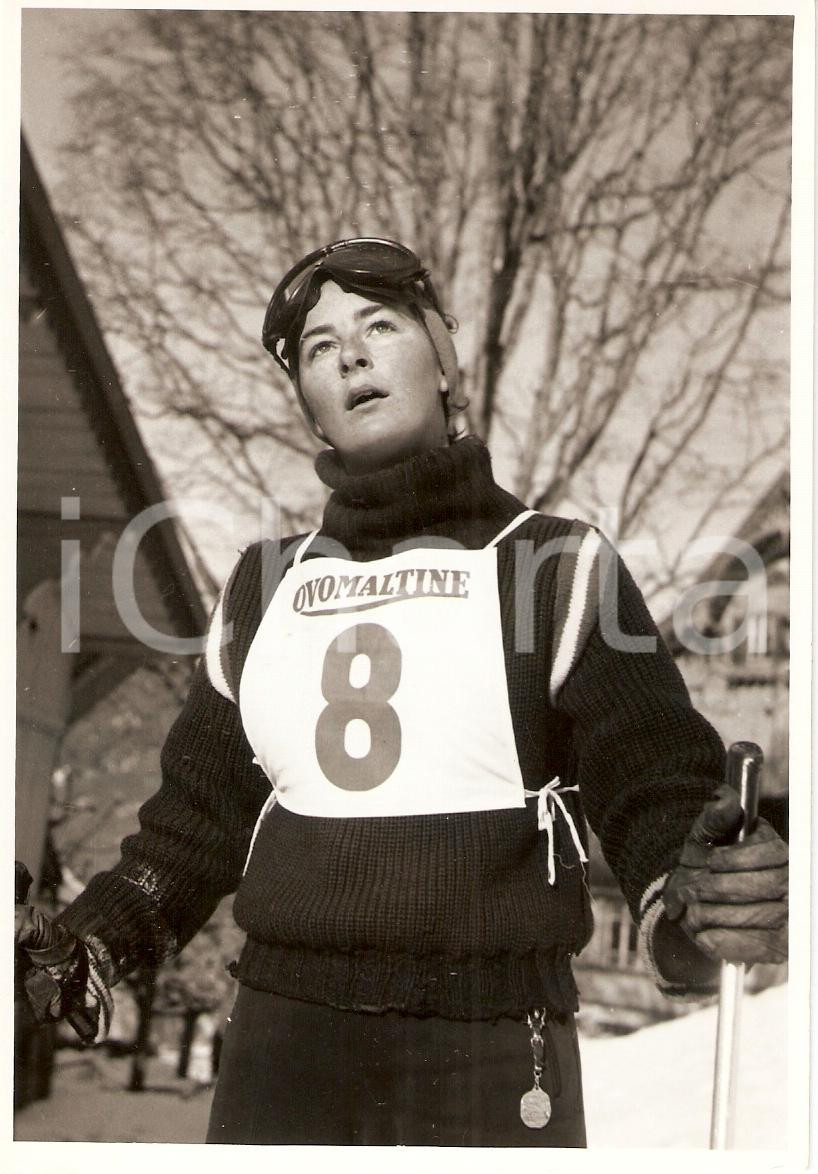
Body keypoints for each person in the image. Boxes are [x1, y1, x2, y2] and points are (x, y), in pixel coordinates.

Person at [15, 238, 788, 1147]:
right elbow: (196, 823)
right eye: (316, 347)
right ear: (310, 408)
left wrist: (696, 896)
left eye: (379, 325)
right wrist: (93, 942)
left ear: (447, 363)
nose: (349, 354)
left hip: (490, 1055)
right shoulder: (264, 589)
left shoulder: (553, 566)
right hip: (281, 1052)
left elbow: (651, 783)